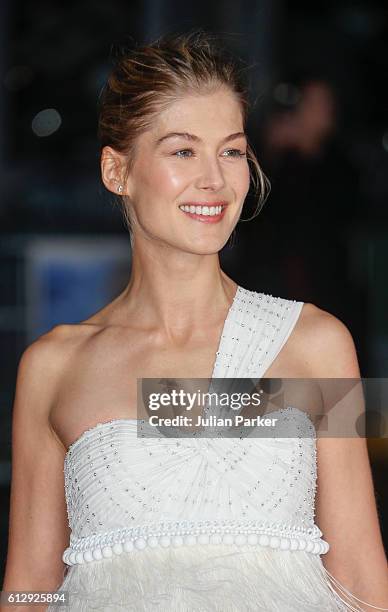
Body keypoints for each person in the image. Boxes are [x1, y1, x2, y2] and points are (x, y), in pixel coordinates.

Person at [2, 31, 388, 612]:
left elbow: (361, 571)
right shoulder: (53, 366)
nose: (215, 179)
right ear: (117, 172)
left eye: (232, 151)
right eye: (183, 151)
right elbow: (29, 590)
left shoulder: (315, 344)